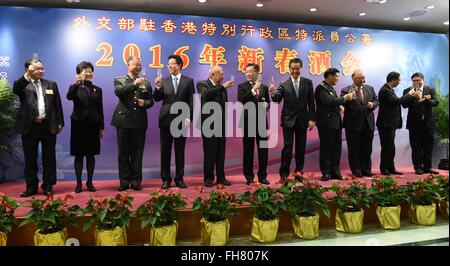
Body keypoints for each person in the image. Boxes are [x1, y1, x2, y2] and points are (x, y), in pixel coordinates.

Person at [13, 58, 64, 196]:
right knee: (30, 158)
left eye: (42, 68)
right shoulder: (23, 84)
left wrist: (60, 122)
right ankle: (31, 187)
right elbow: (15, 89)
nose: (40, 71)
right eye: (37, 68)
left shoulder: (51, 84)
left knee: (49, 157)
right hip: (29, 126)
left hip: (48, 125)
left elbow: (57, 105)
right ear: (28, 70)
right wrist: (27, 76)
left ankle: (48, 186)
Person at [111, 56, 154, 191]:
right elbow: (119, 92)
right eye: (135, 64)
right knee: (123, 154)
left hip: (139, 122)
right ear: (128, 65)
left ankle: (136, 181)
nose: (138, 67)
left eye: (139, 65)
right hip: (123, 121)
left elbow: (151, 101)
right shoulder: (120, 80)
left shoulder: (146, 83)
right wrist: (134, 84)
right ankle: (124, 181)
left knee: (137, 153)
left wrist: (144, 103)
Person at [269, 58, 316, 182]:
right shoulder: (284, 84)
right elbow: (276, 100)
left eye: (297, 68)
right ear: (289, 69)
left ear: (301, 68)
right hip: (288, 120)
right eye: (293, 68)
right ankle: (284, 173)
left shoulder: (308, 83)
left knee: (301, 147)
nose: (295, 70)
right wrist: (273, 93)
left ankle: (299, 172)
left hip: (302, 120)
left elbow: (311, 103)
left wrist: (312, 119)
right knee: (288, 147)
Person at [154, 55, 195, 189]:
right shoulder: (163, 81)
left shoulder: (188, 81)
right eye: (168, 64)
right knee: (165, 151)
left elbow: (191, 101)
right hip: (166, 119)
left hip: (181, 120)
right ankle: (165, 179)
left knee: (179, 151)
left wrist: (189, 117)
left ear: (179, 65)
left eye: (172, 64)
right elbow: (157, 99)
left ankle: (179, 178)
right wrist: (158, 87)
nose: (170, 66)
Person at [67, 61, 104, 193]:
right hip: (78, 124)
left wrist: (101, 127)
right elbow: (68, 97)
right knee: (78, 155)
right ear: (79, 73)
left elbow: (100, 109)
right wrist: (76, 84)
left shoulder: (97, 89)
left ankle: (89, 182)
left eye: (90, 71)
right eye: (85, 71)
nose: (88, 73)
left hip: (93, 124)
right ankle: (78, 183)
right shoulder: (75, 87)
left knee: (91, 155)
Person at [315, 67, 355, 181]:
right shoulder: (320, 88)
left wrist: (341, 106)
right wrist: (345, 98)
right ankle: (326, 172)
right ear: (329, 76)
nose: (337, 79)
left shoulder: (331, 88)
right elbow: (328, 101)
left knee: (337, 148)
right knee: (326, 148)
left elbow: (335, 102)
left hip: (336, 123)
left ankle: (335, 171)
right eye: (336, 76)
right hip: (326, 123)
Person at [197, 66, 233, 187]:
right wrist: (222, 87)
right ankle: (208, 178)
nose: (223, 76)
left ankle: (221, 178)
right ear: (213, 75)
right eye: (221, 74)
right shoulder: (202, 84)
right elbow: (206, 95)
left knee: (220, 153)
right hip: (208, 125)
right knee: (209, 153)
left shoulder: (222, 88)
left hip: (221, 125)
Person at [237, 63, 271, 185]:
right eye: (246, 72)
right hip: (247, 122)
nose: (248, 74)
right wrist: (253, 90)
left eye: (250, 71)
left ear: (257, 72)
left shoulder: (264, 87)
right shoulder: (242, 86)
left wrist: (267, 106)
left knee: (263, 150)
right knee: (248, 150)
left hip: (262, 122)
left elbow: (268, 103)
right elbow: (241, 100)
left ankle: (262, 176)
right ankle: (249, 177)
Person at [376, 71, 415, 176]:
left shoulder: (389, 89)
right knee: (387, 147)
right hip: (385, 124)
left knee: (390, 147)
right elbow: (397, 101)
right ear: (393, 80)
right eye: (399, 79)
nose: (399, 81)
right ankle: (384, 168)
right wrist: (410, 94)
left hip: (389, 124)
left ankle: (390, 167)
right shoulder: (385, 90)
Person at [341, 70, 378, 177]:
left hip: (368, 123)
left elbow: (376, 100)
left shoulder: (369, 88)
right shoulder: (346, 90)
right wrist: (367, 108)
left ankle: (366, 168)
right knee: (354, 148)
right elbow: (352, 106)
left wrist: (373, 105)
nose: (363, 80)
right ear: (353, 78)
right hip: (353, 124)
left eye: (363, 77)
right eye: (360, 78)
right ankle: (356, 169)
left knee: (367, 148)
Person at [401, 72, 439, 175]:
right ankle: (418, 167)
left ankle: (427, 167)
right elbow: (404, 105)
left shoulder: (429, 89)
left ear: (423, 80)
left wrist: (426, 100)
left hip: (428, 123)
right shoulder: (408, 91)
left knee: (428, 147)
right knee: (416, 147)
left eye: (418, 80)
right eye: (414, 81)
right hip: (414, 124)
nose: (416, 82)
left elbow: (436, 102)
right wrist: (412, 95)